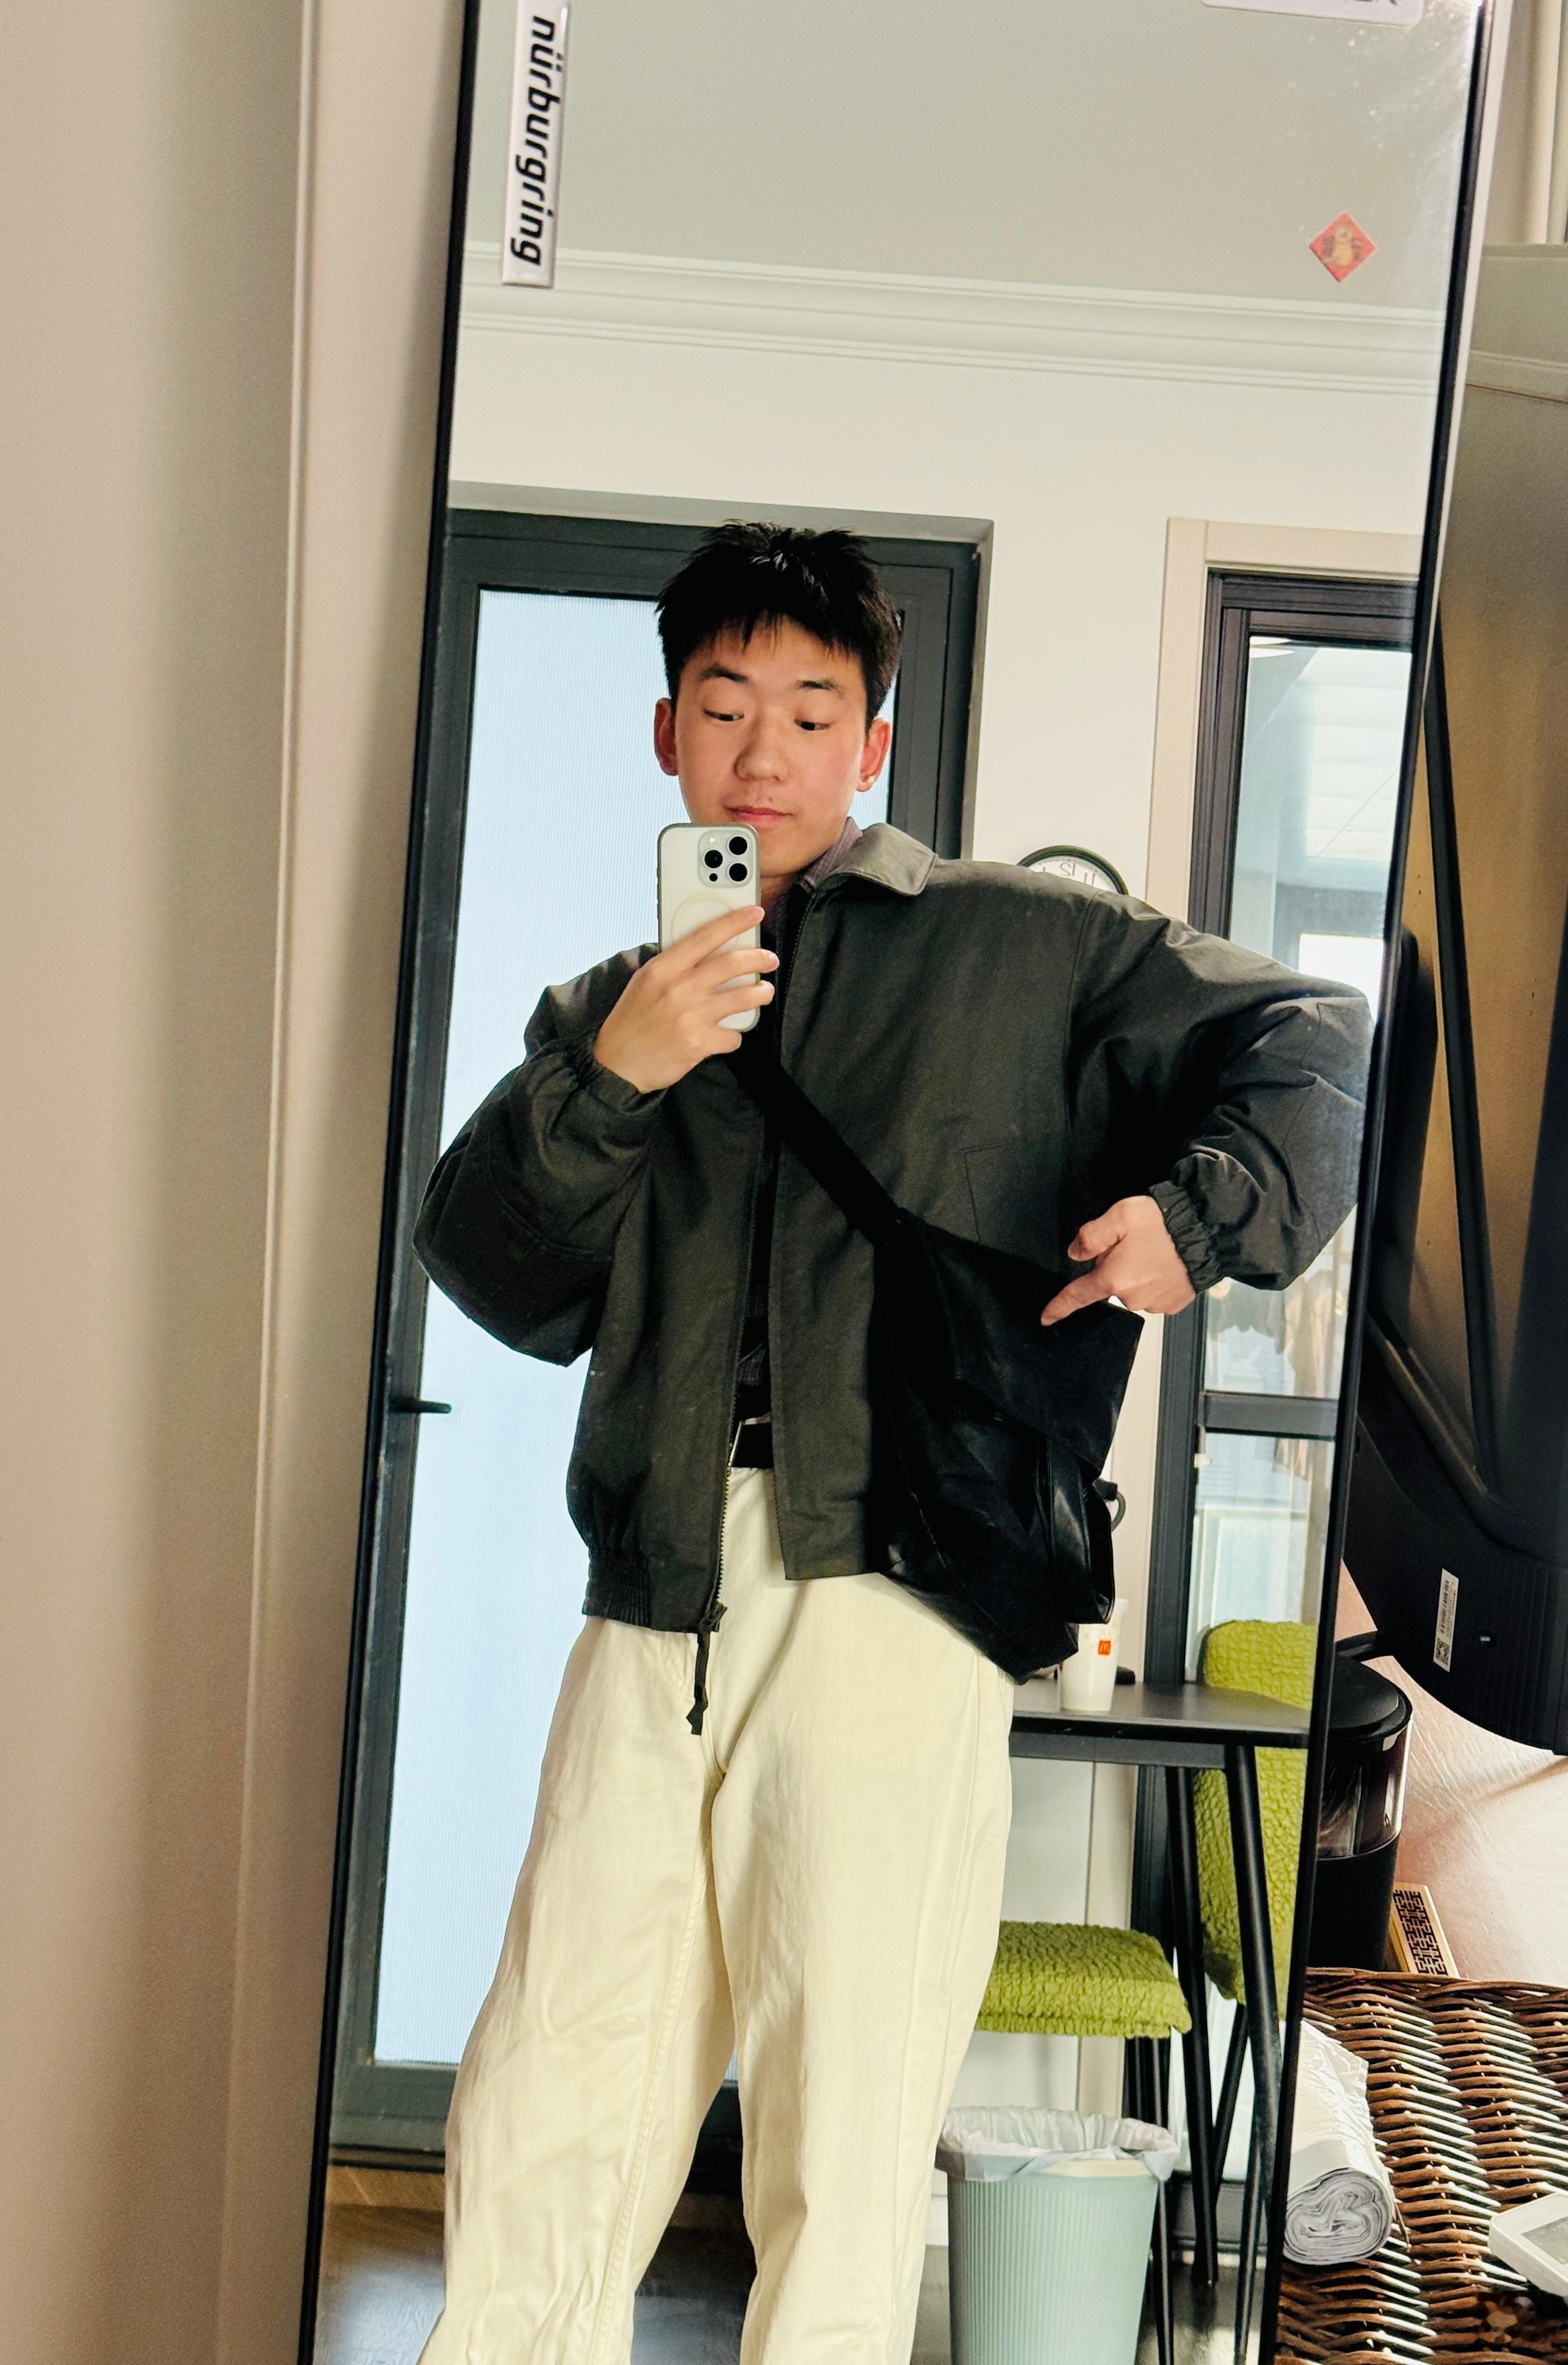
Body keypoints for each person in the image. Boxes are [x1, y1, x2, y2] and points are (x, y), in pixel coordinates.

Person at [412, 524, 1372, 2365]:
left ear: (872, 741)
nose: (762, 753)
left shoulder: (1028, 944)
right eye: (724, 706)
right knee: (549, 2087)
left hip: (891, 1581)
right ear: (667, 734)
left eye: (810, 710)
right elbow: (497, 1274)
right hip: (655, 1590)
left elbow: (1321, 1038)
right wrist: (618, 1074)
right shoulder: (610, 1006)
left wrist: (1204, 1213)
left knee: (843, 2119)